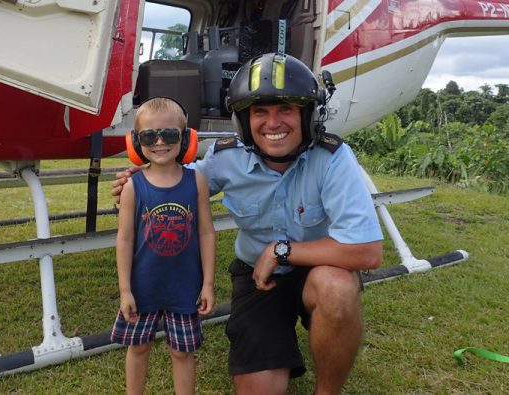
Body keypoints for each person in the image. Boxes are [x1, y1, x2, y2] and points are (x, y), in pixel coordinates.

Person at [112, 53, 383, 395]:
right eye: (260, 112)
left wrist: (282, 250)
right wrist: (136, 185)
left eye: (285, 108)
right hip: (257, 277)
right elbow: (176, 187)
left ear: (307, 113)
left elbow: (368, 251)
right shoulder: (226, 157)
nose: (273, 123)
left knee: (336, 287)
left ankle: (327, 391)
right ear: (243, 119)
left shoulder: (334, 158)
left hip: (318, 270)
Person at [110, 97, 216, 395]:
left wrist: (207, 283)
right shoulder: (132, 187)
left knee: (182, 353)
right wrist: (125, 289)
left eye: (170, 134)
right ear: (135, 141)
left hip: (185, 287)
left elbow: (207, 233)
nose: (159, 142)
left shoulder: (197, 182)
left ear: (185, 139)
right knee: (138, 347)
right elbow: (125, 239)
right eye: (148, 136)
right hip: (142, 288)